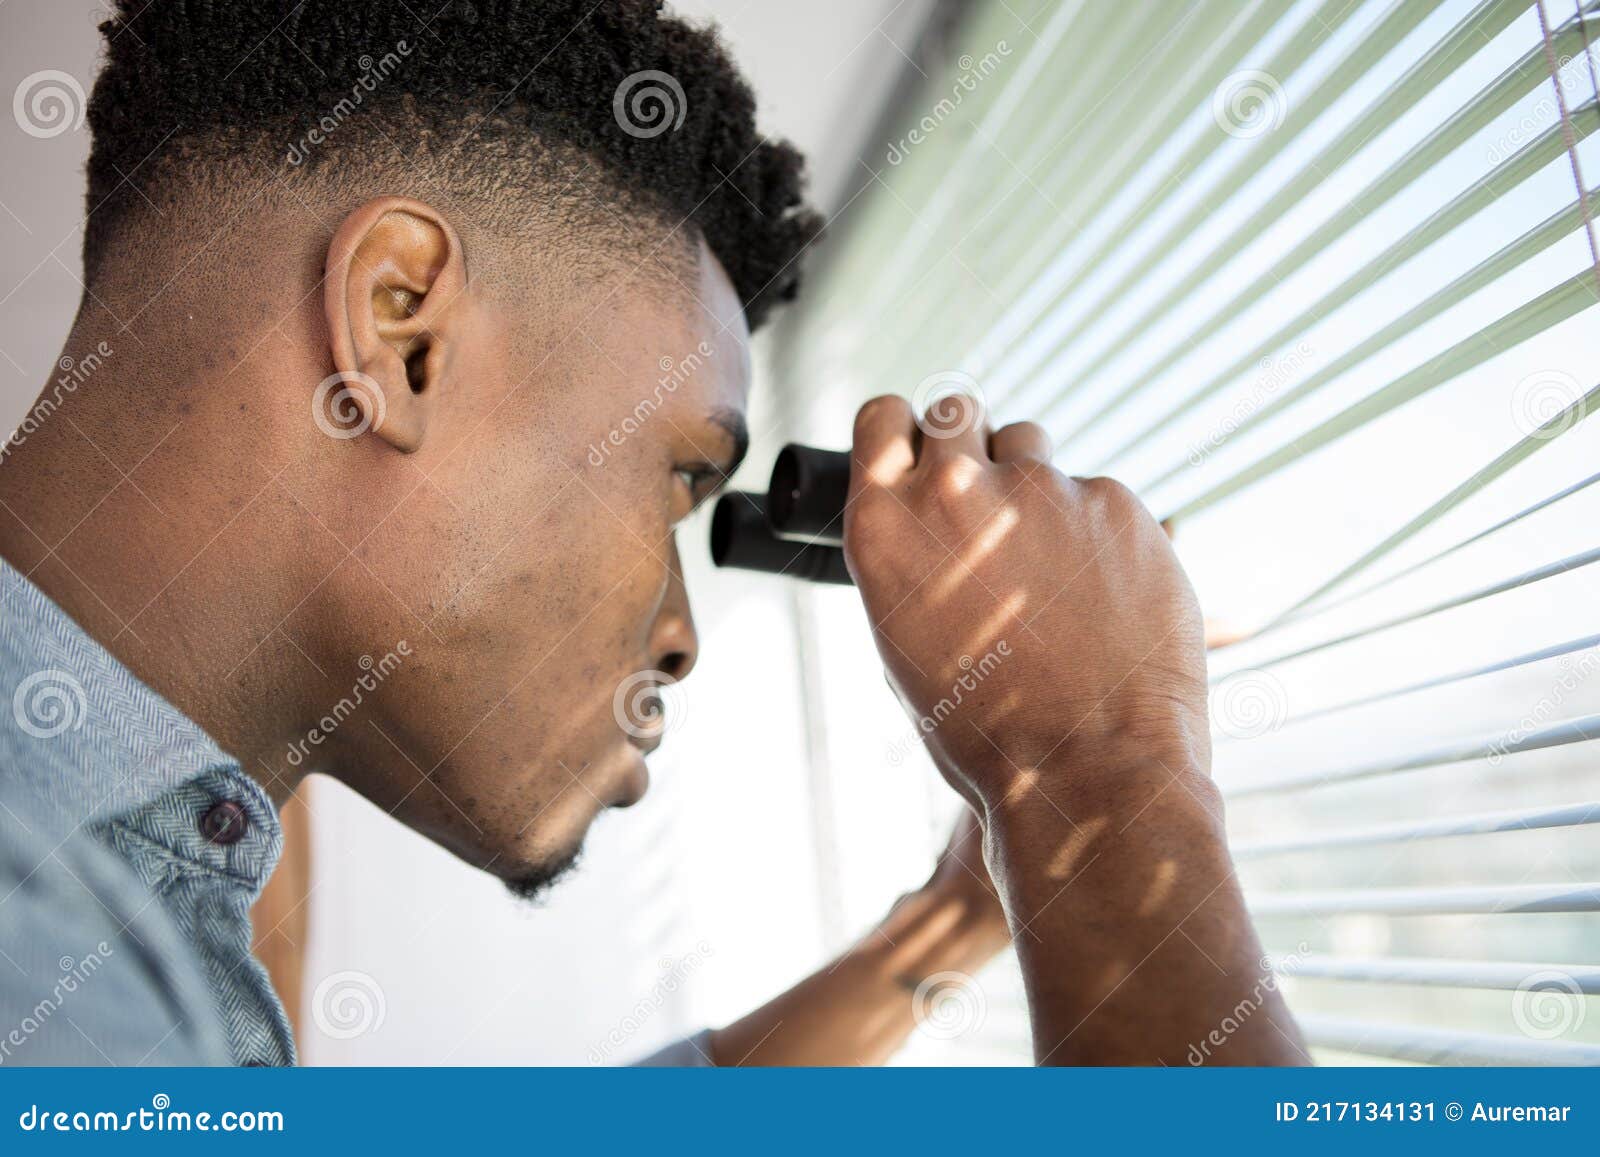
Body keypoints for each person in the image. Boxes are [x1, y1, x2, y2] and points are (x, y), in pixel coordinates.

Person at [0, 0, 1305, 1067]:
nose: (678, 638)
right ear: (402, 332)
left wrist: (960, 919)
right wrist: (1100, 765)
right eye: (681, 473)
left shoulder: (142, 895)